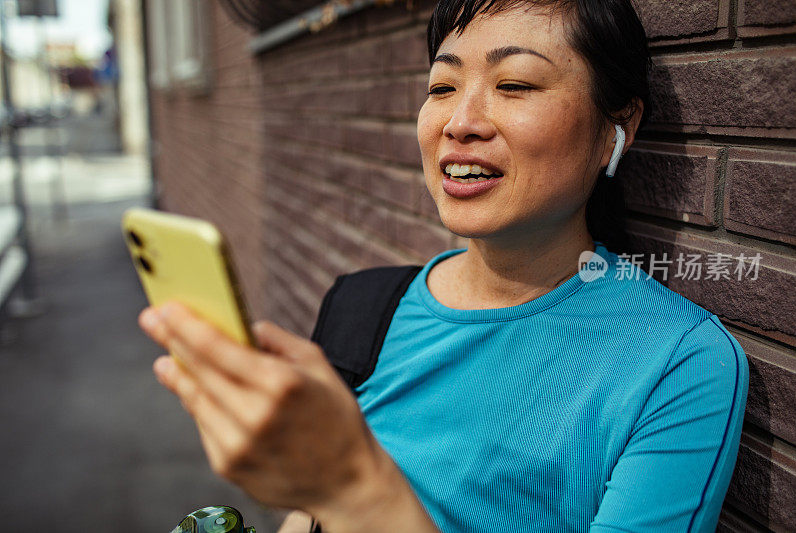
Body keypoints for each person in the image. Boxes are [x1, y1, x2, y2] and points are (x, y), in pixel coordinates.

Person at [138, 1, 749, 532]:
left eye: (515, 85)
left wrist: (354, 485)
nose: (460, 122)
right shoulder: (363, 306)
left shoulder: (680, 364)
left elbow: (342, 498)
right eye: (441, 87)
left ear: (619, 126)